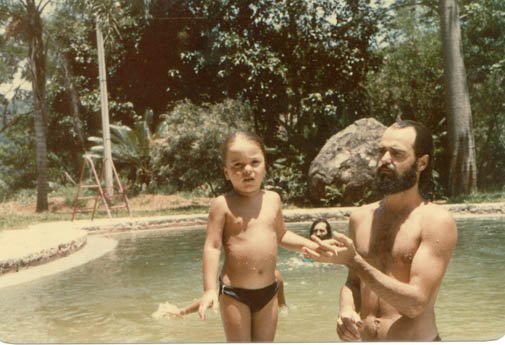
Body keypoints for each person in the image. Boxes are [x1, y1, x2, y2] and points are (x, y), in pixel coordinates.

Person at [303, 120, 458, 341]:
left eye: (397, 154)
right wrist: (346, 310)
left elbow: (415, 304)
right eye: (382, 151)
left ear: (421, 163)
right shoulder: (360, 218)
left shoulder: (436, 222)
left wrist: (355, 261)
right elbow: (353, 283)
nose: (385, 160)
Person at [198, 131, 320, 342]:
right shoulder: (222, 204)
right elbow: (213, 246)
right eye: (237, 165)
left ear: (265, 165)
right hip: (234, 294)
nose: (247, 170)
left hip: (269, 292)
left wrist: (313, 246)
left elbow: (281, 235)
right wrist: (209, 290)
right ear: (226, 172)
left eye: (255, 162)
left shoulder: (273, 199)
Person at [153, 270, 287, 319]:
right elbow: (216, 297)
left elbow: (282, 307)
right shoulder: (238, 279)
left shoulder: (276, 277)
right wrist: (183, 311)